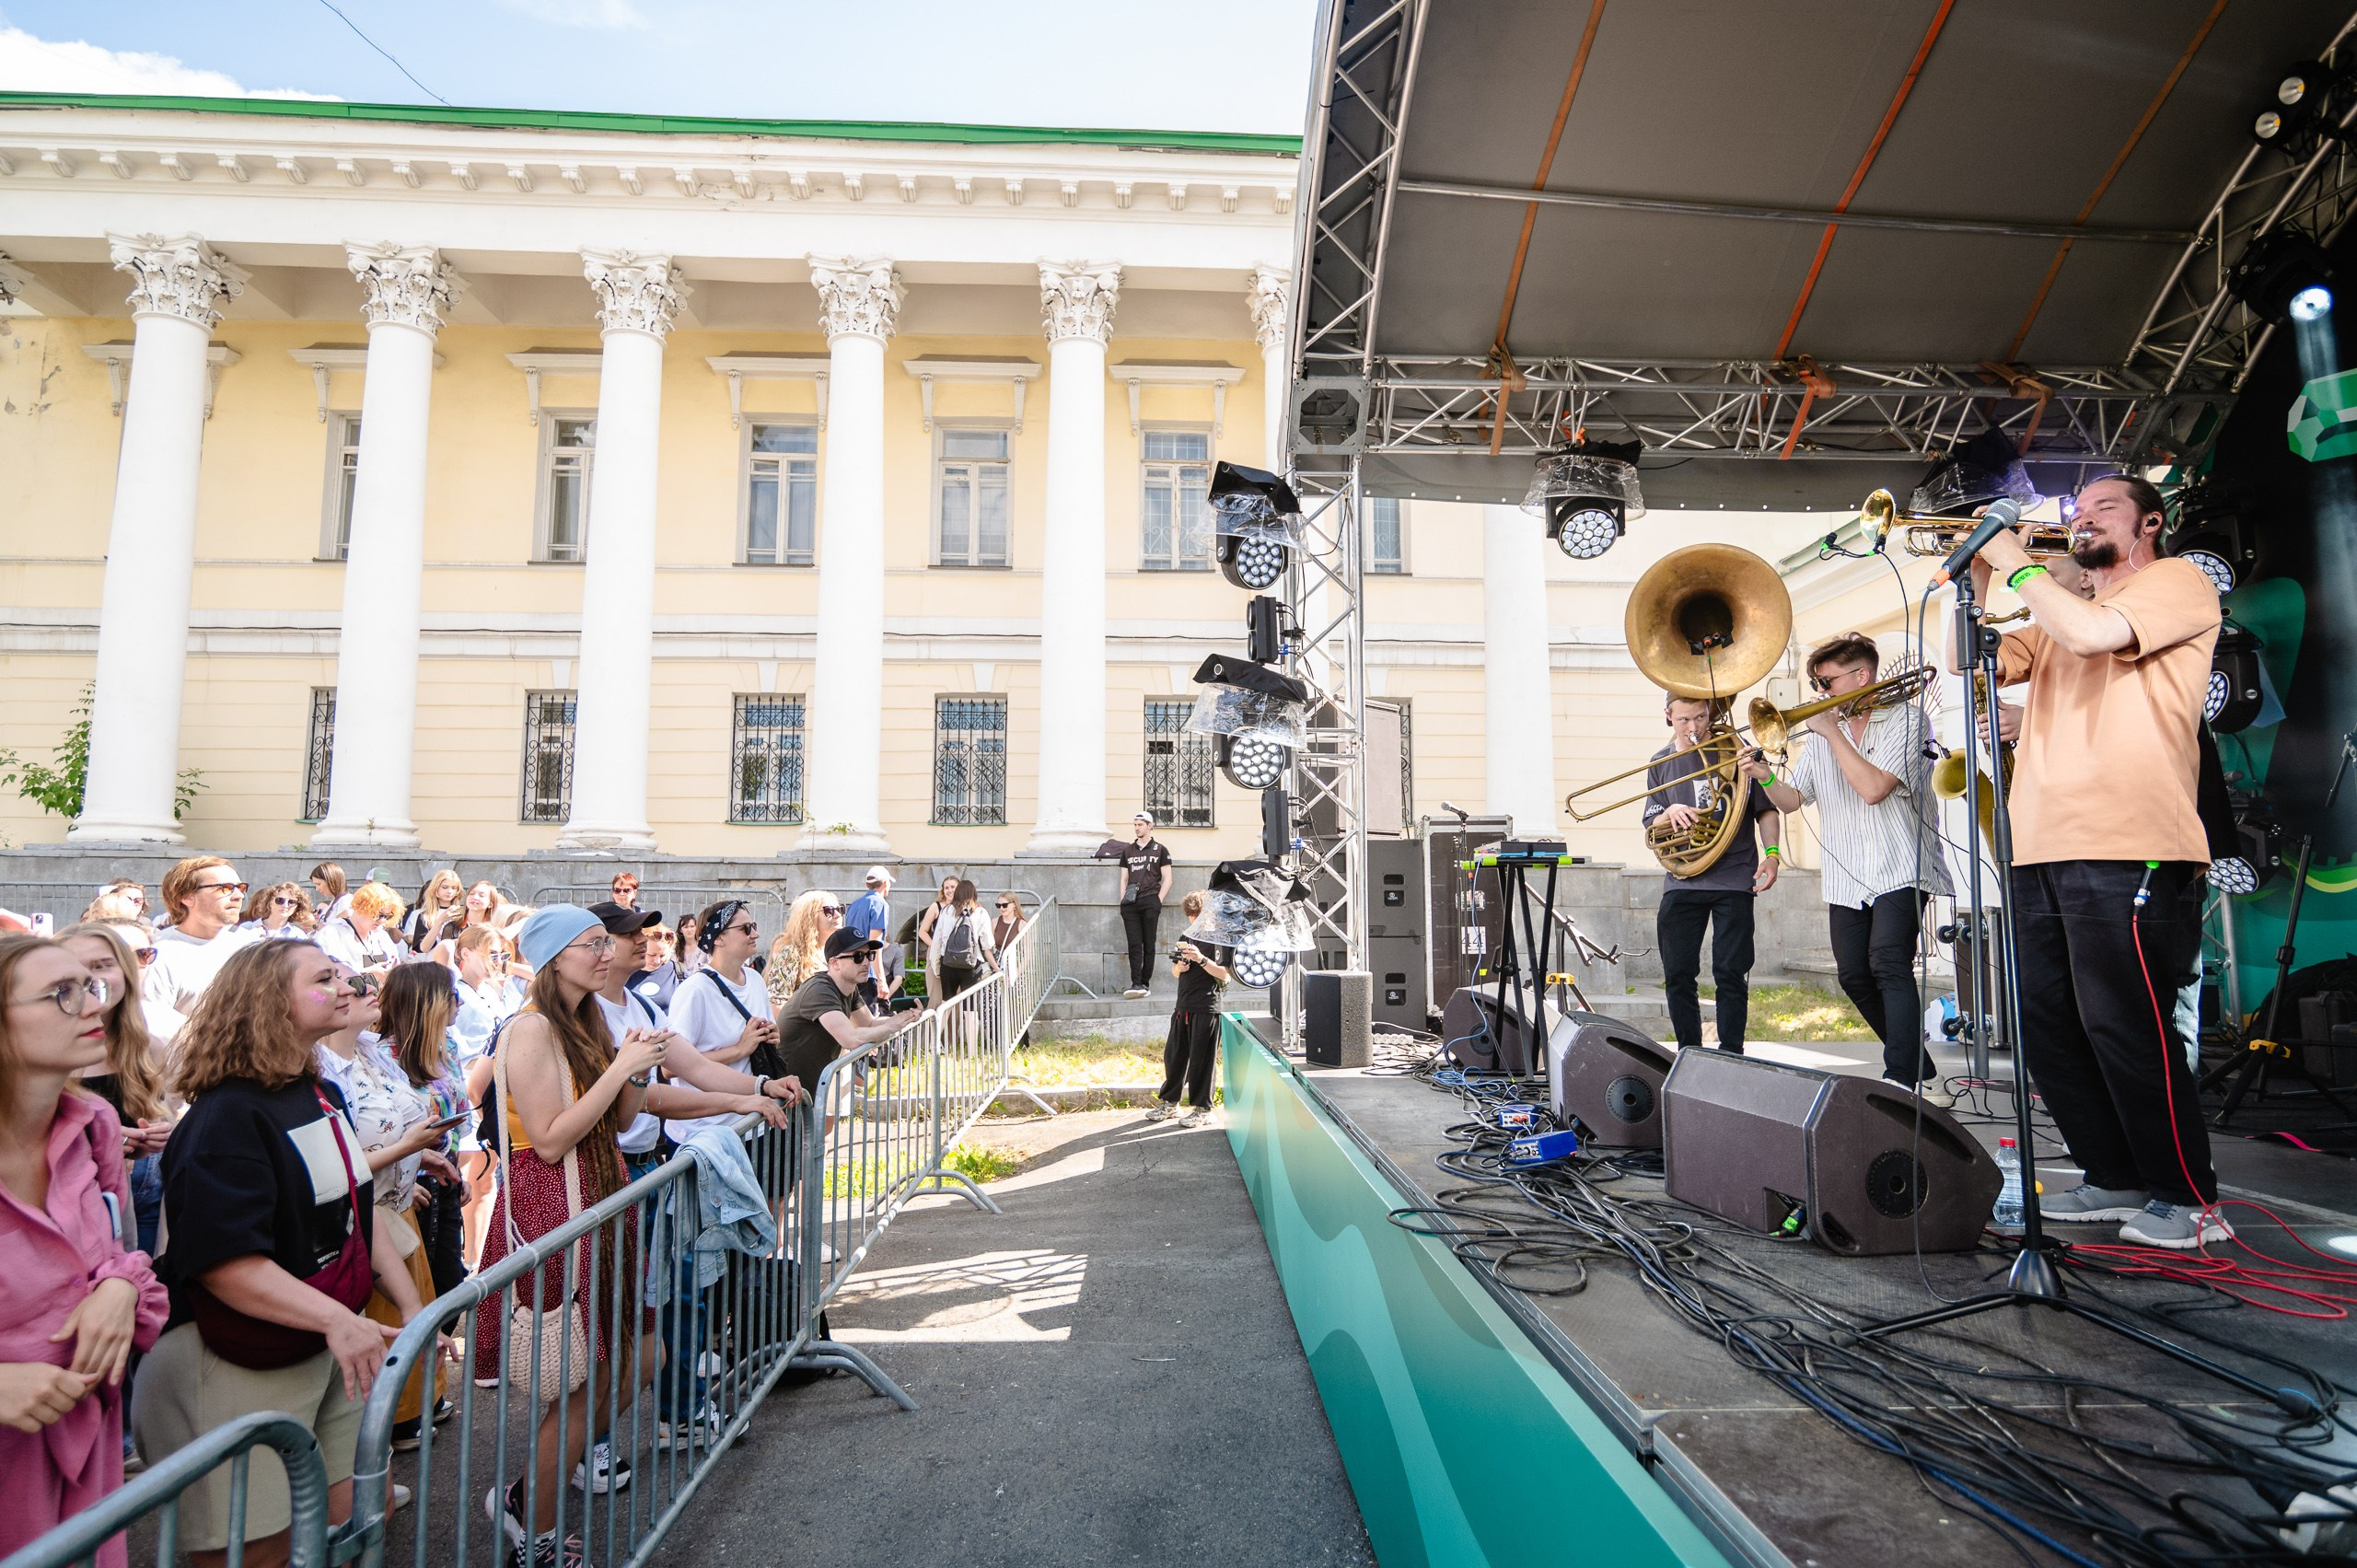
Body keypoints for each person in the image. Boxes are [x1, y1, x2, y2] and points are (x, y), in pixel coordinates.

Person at [1954, 473, 2225, 1249]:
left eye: (2103, 506)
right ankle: (2113, 1175)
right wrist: (1976, 580)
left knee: (2125, 1022)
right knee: (2047, 1024)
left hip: (2128, 838)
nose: (2081, 516)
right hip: (2040, 842)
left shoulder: (2175, 583)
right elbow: (1968, 663)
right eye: (2076, 508)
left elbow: (2092, 636)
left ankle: (2190, 1197)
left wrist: (2019, 562)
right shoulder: (2064, 605)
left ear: (2149, 523)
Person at [134, 941, 422, 1568]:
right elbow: (226, 1263)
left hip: (321, 1347)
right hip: (234, 1357)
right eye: (325, 978)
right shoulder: (226, 1116)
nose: (347, 984)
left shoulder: (318, 1092)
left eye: (343, 974)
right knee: (252, 1551)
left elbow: (354, 1205)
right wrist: (335, 1319)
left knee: (359, 1516)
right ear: (269, 1002)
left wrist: (408, 1304)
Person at [470, 908, 662, 1568]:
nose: (608, 952)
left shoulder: (585, 1022)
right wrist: (621, 1067)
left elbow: (623, 1116)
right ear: (555, 957)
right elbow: (550, 1139)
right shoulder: (528, 1028)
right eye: (593, 944)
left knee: (642, 1355)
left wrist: (637, 1069)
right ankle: (539, 1539)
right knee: (582, 1385)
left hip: (602, 1201)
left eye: (606, 942)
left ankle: (529, 1497)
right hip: (559, 1210)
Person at [0, 936, 170, 1568]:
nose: (91, 1006)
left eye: (91, 986)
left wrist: (121, 1287)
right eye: (61, 993)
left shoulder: (95, 1122)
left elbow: (124, 1258)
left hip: (84, 1453)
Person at [1748, 635, 1952, 1103]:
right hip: (1847, 874)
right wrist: (1765, 777)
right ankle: (1917, 1064)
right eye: (1817, 682)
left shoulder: (1907, 719)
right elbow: (1794, 799)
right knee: (1853, 975)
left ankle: (1900, 1077)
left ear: (1861, 676)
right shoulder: (1821, 735)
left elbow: (1875, 788)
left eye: (1827, 681)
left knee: (1888, 962)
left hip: (1901, 863)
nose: (1820, 691)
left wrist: (1833, 734)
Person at [313, 965, 451, 1449]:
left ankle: (395, 1428)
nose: (371, 989)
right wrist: (405, 1149)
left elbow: (386, 1136)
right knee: (376, 1352)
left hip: (395, 1215)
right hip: (359, 1230)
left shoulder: (372, 1051)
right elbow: (339, 1165)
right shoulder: (321, 1070)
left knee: (409, 1327)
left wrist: (415, 1160)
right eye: (356, 983)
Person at [1643, 696, 1782, 1058]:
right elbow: (1651, 823)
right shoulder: (1660, 762)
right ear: (1668, 717)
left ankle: (1732, 1053)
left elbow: (1766, 811)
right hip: (1683, 878)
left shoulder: (1737, 752)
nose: (1693, 728)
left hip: (1734, 877)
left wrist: (1772, 856)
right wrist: (1669, 811)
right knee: (1677, 973)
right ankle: (1689, 1052)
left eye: (1701, 717)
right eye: (1684, 719)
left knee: (1730, 972)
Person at [57, 923, 173, 1259]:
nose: (91, 980)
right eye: (74, 969)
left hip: (135, 1201)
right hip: (73, 1207)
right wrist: (104, 1137)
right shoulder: (44, 1049)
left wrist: (153, 1137)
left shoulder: (147, 1047)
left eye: (102, 965)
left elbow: (157, 1114)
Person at [377, 965, 471, 1302]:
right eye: (453, 996)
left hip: (444, 1181)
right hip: (410, 1191)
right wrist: (405, 1180)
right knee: (422, 1293)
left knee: (449, 1289)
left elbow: (455, 1123)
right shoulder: (382, 1057)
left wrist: (457, 1172)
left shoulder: (448, 1046)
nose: (459, 1003)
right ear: (429, 1002)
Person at [775, 931, 909, 1117]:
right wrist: (891, 1027)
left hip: (802, 1092)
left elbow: (869, 1024)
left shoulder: (848, 988)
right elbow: (850, 1038)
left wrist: (904, 1018)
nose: (866, 962)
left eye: (869, 955)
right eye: (857, 956)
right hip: (783, 1093)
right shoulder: (820, 989)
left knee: (815, 1142)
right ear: (834, 963)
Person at [146, 857, 260, 1039]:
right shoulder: (162, 955)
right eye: (226, 888)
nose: (239, 896)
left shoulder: (250, 947)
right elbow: (154, 1028)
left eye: (241, 888)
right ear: (187, 896)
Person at [1146, 892, 1229, 1127]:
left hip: (1207, 1006)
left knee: (1202, 1061)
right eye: (1190, 915)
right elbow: (1174, 971)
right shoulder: (1186, 935)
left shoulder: (1219, 939)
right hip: (1183, 1005)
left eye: (1197, 915)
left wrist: (1201, 959)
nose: (1193, 920)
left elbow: (1225, 975)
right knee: (1174, 1057)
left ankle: (1204, 1108)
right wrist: (1180, 967)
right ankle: (1170, 1103)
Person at [1115, 813, 1173, 999]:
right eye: (1135, 825)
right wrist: (1122, 901)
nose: (1137, 828)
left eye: (1140, 824)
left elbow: (1168, 878)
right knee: (1134, 945)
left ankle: (1145, 984)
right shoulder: (1128, 851)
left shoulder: (1160, 850)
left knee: (1149, 944)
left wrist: (1158, 899)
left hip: (1150, 900)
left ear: (1150, 826)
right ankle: (1136, 983)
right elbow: (1124, 878)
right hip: (1130, 903)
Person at [926, 879, 997, 1004]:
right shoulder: (980, 912)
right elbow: (988, 944)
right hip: (971, 963)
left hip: (948, 963)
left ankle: (942, 1024)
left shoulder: (947, 911)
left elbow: (937, 942)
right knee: (970, 1007)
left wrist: (936, 966)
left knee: (946, 1004)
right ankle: (970, 1023)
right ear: (973, 893)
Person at [766, 891, 842, 1006]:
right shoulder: (791, 953)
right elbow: (777, 1002)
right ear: (809, 917)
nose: (837, 915)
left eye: (840, 909)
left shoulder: (837, 950)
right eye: (829, 911)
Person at [316, 882, 406, 975]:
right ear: (361, 907)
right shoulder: (331, 934)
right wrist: (365, 974)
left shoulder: (382, 936)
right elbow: (322, 973)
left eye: (387, 916)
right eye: (378, 914)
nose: (382, 920)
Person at [628, 922, 682, 1012]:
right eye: (652, 955)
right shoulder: (624, 972)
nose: (657, 961)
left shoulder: (677, 972)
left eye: (662, 955)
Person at [407, 871, 466, 954]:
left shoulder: (463, 914)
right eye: (444, 887)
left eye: (454, 888)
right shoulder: (424, 916)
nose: (449, 891)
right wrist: (440, 921)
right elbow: (419, 949)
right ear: (435, 889)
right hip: (431, 962)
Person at [241, 883, 318, 940]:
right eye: (280, 900)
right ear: (269, 902)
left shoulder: (298, 936)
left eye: (291, 902)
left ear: (297, 907)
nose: (285, 905)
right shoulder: (246, 928)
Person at [844, 868, 893, 947]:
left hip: (851, 955)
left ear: (867, 884)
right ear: (885, 883)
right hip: (866, 957)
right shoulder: (880, 904)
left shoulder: (854, 904)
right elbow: (875, 944)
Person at [80, 880, 148, 926]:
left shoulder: (147, 928)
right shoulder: (93, 923)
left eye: (138, 901)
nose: (131, 904)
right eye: (126, 899)